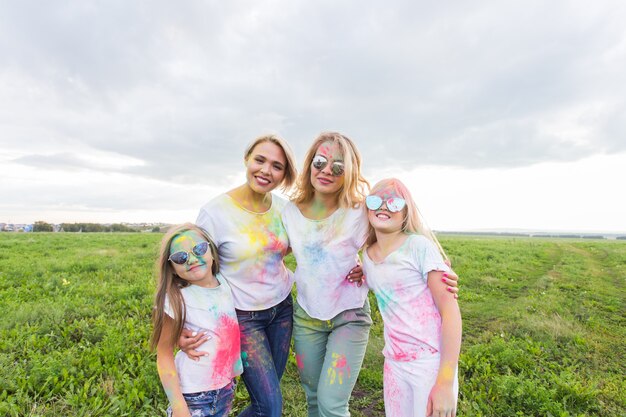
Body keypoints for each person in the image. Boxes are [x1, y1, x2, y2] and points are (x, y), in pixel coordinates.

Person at [282, 133, 459, 417]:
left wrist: (439, 264)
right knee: (313, 399)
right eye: (320, 162)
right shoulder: (289, 212)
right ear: (309, 164)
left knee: (331, 403)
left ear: (348, 172)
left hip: (349, 316)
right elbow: (275, 251)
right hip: (307, 316)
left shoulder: (359, 209)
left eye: (338, 167)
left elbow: (396, 234)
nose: (327, 170)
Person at [361, 178, 462, 417]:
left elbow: (451, 314)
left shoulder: (419, 247)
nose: (384, 206)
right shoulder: (367, 256)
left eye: (394, 202)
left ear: (406, 212)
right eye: (376, 200)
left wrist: (445, 383)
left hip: (429, 363)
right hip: (394, 364)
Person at [151, 223, 243, 417]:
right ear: (172, 268)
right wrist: (178, 406)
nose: (192, 259)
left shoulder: (226, 281)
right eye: (180, 257)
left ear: (211, 250)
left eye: (199, 249)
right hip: (194, 395)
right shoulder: (176, 298)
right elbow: (164, 353)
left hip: (226, 388)